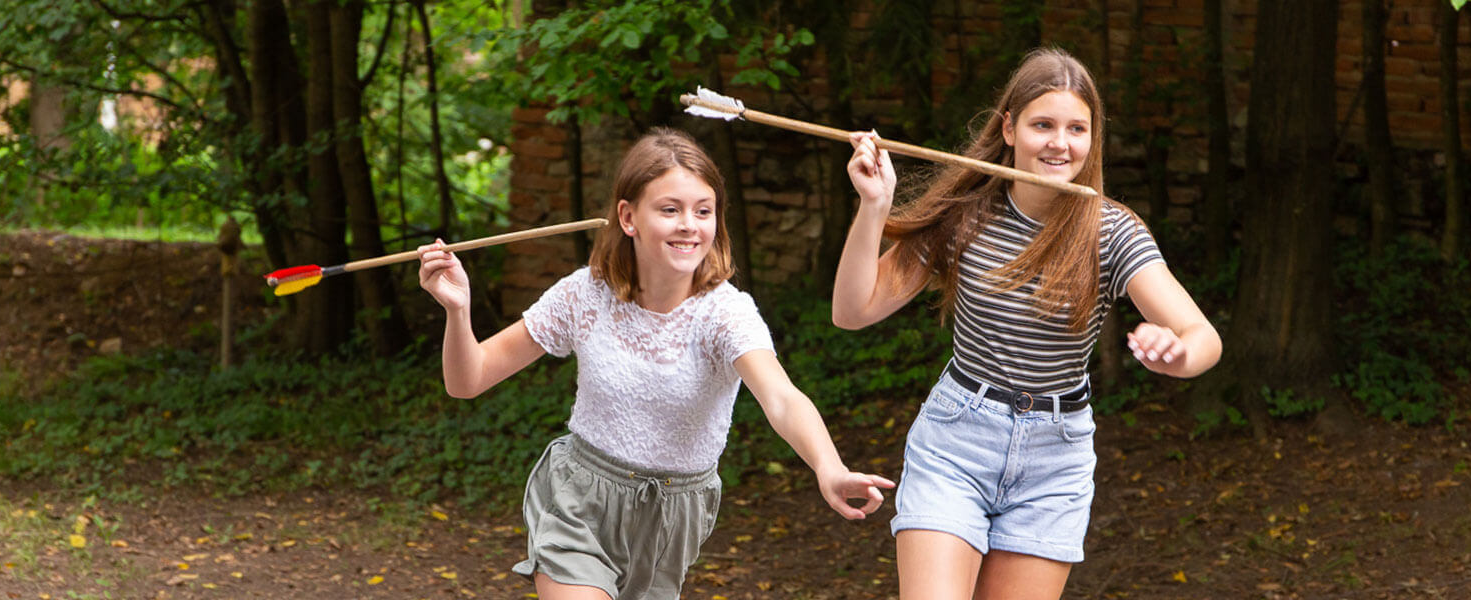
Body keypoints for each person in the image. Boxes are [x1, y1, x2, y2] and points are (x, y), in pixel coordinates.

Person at [418, 127, 895, 600]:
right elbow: (469, 379)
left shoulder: (724, 312)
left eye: (703, 211)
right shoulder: (585, 293)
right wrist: (457, 311)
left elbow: (782, 398)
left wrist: (828, 467)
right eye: (670, 210)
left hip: (673, 516)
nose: (690, 224)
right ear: (628, 217)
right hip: (580, 500)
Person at [832, 47, 1223, 599]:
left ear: (1094, 138)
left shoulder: (1113, 231)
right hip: (956, 442)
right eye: (1043, 124)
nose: (1060, 143)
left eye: (1076, 128)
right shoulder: (966, 214)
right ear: (1010, 128)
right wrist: (874, 206)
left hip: (1054, 460)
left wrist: (1177, 353)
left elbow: (1203, 337)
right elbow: (852, 312)